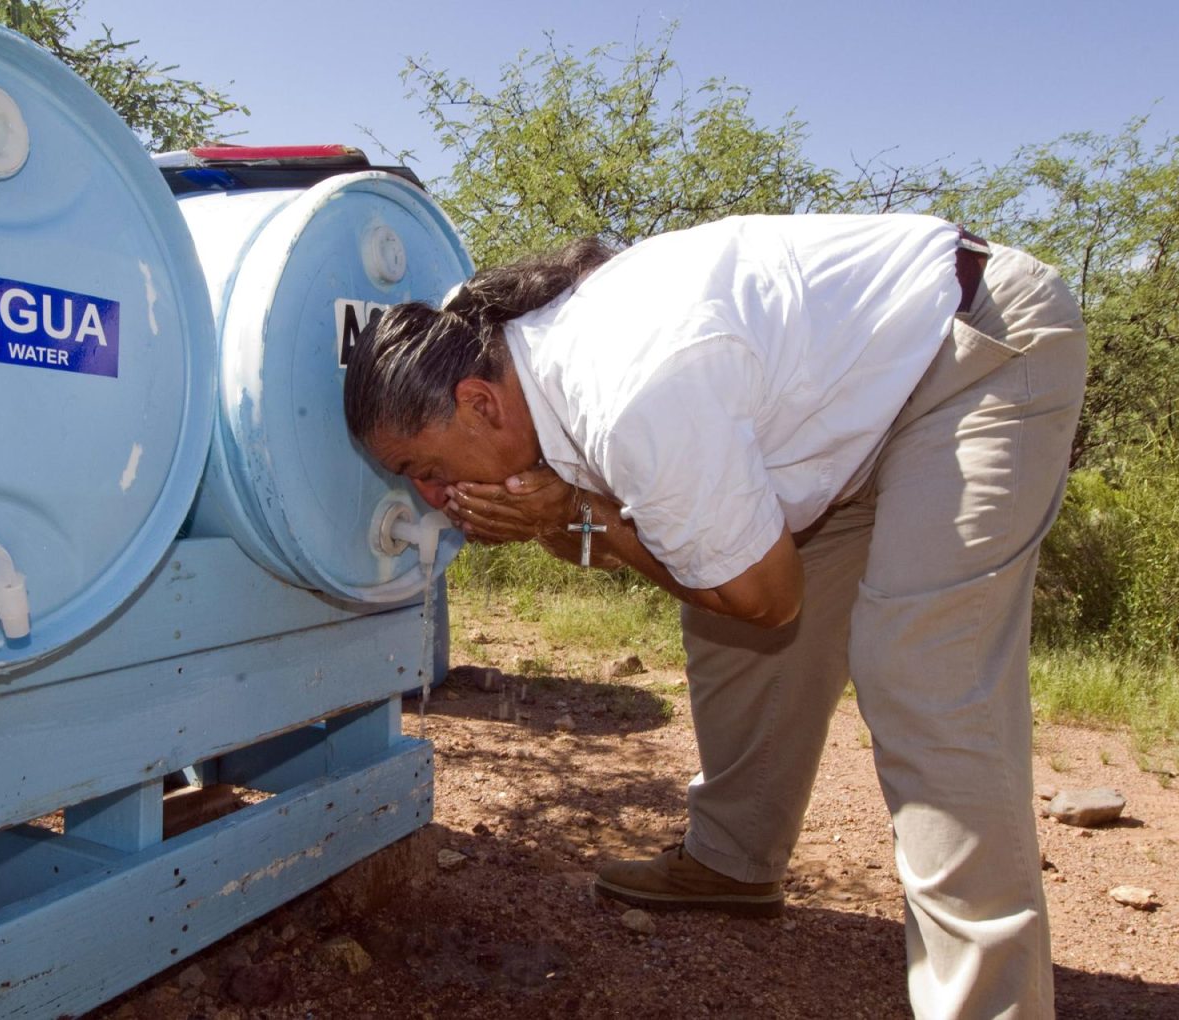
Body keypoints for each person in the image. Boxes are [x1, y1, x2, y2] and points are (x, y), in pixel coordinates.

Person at [343, 213, 1087, 1019]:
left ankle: (991, 1006)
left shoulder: (633, 397)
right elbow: (671, 562)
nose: (428, 495)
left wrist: (578, 516)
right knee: (720, 618)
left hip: (967, 354)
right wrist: (570, 519)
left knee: (920, 672)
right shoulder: (472, 333)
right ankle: (734, 863)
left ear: (479, 403)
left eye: (423, 468)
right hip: (843, 412)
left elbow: (769, 599)